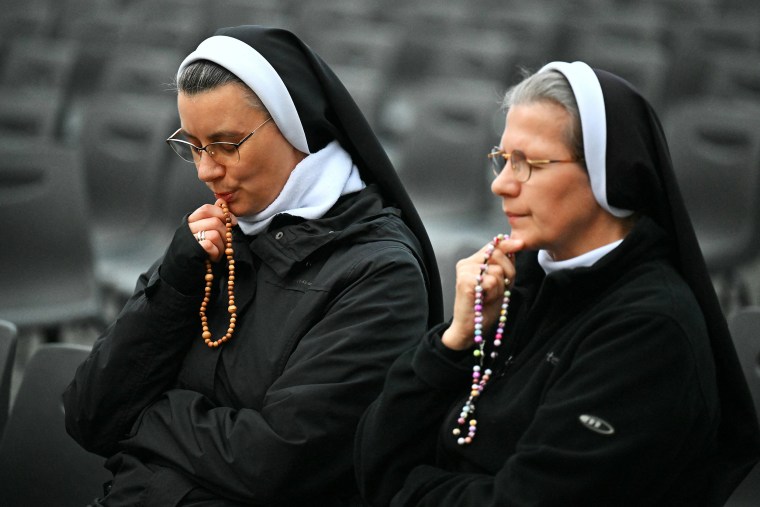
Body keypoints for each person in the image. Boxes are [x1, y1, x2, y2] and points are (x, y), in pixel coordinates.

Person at [63, 25, 443, 506]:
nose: (205, 171)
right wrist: (176, 282)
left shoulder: (380, 273)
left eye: (226, 144)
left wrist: (142, 416)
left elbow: (275, 463)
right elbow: (87, 412)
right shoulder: (214, 239)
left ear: (295, 129)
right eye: (194, 146)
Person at [355, 61, 760, 506]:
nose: (502, 186)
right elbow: (372, 457)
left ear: (608, 173)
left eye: (528, 163)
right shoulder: (517, 283)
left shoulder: (648, 329)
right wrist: (454, 342)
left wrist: (406, 488)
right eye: (503, 160)